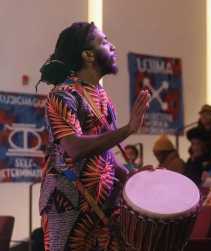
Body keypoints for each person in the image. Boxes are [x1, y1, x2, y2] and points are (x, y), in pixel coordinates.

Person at [38, 22, 150, 251]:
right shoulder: (63, 94)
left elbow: (105, 156)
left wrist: (133, 176)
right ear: (88, 55)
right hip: (69, 208)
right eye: (104, 41)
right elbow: (74, 148)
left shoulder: (101, 96)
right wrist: (128, 129)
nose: (112, 46)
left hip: (104, 209)